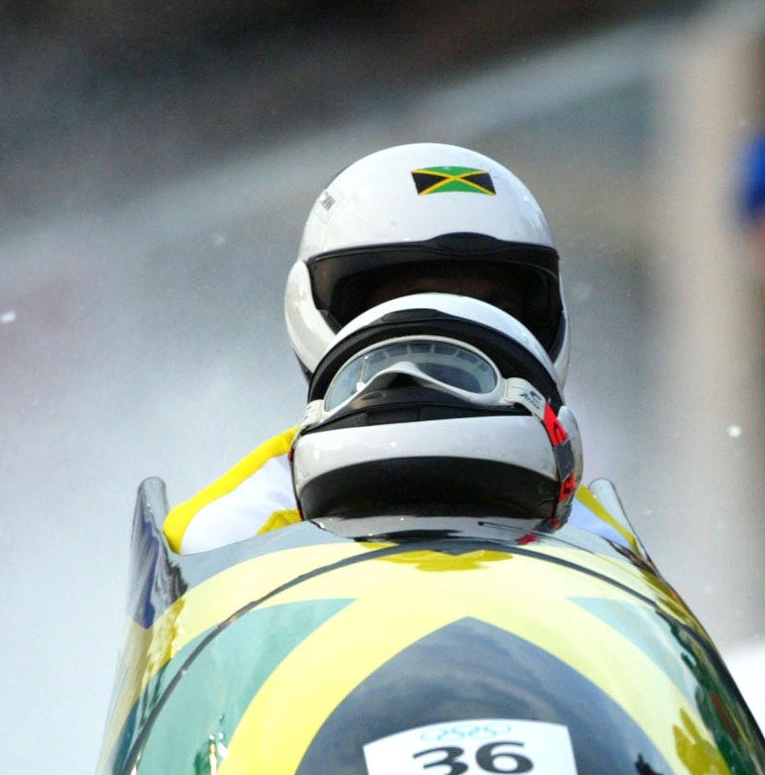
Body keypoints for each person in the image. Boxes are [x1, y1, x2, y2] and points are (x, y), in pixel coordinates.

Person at [164, 142, 617, 556]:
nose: (452, 335)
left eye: (490, 306)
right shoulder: (218, 536)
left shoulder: (603, 542)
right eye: (409, 301)